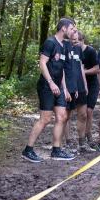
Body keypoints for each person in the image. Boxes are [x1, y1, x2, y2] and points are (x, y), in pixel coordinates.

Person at [22, 18, 76, 162]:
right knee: (45, 119)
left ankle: (56, 150)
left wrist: (64, 88)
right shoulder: (50, 42)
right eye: (71, 28)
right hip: (47, 86)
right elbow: (42, 63)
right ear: (63, 28)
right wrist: (51, 83)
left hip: (59, 87)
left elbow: (62, 69)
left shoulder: (64, 45)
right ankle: (28, 150)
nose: (73, 31)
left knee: (62, 116)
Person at [63, 30, 91, 152]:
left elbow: (81, 67)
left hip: (80, 85)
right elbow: (61, 69)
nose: (75, 42)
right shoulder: (63, 48)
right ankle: (67, 142)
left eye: (77, 40)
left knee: (83, 114)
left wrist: (84, 84)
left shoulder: (79, 49)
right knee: (66, 116)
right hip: (69, 85)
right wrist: (64, 88)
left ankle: (82, 143)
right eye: (73, 40)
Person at [79, 33, 100, 151]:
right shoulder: (73, 50)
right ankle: (81, 138)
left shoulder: (91, 51)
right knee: (82, 112)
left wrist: (83, 72)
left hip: (92, 84)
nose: (77, 43)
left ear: (83, 40)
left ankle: (89, 135)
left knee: (89, 111)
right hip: (79, 84)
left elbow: (97, 69)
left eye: (79, 41)